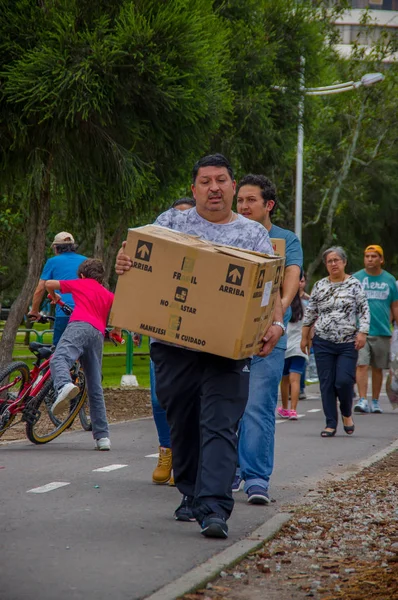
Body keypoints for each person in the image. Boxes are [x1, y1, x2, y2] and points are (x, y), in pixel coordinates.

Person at [116, 154, 283, 539]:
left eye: (222, 180)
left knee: (221, 425)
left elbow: (267, 285)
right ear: (194, 189)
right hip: (173, 347)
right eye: (205, 181)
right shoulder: (171, 223)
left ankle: (214, 507)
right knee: (184, 424)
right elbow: (140, 257)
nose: (214, 188)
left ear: (233, 186)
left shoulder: (252, 234)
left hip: (228, 351)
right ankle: (190, 492)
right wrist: (125, 262)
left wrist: (275, 324)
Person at [233, 174, 302, 504]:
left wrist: (278, 313)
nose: (244, 206)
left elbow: (291, 274)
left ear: (268, 205)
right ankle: (227, 469)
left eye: (251, 201)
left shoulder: (285, 239)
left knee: (258, 405)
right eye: (240, 201)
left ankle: (257, 478)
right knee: (225, 405)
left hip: (268, 338)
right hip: (228, 336)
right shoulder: (228, 232)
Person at [45, 258, 118, 451]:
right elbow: (120, 312)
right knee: (95, 386)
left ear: (83, 275)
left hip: (79, 325)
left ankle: (64, 385)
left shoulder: (81, 283)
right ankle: (103, 438)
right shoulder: (108, 294)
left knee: (59, 358)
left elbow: (48, 283)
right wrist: (116, 331)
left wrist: (53, 295)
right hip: (97, 335)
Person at [301, 247, 370, 437]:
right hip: (323, 341)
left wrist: (363, 332)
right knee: (326, 383)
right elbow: (311, 311)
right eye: (329, 261)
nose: (333, 264)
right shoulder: (320, 285)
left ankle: (347, 413)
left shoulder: (354, 284)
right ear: (326, 265)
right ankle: (330, 422)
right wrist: (304, 335)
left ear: (344, 262)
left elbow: (364, 310)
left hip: (347, 342)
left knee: (343, 381)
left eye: (336, 260)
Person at [150, 197, 196, 486]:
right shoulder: (160, 256)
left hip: (195, 339)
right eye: (173, 216)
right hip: (161, 334)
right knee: (159, 398)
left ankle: (183, 458)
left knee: (190, 400)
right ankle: (166, 451)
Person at [353, 245, 398, 414]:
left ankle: (376, 401)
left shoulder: (389, 280)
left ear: (381, 259)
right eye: (367, 256)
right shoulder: (356, 278)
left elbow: (395, 306)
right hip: (361, 331)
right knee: (362, 364)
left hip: (382, 330)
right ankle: (363, 400)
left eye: (374, 256)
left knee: (378, 368)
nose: (370, 259)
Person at [29, 232, 87, 345]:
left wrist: (34, 311)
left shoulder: (52, 262)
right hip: (86, 315)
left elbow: (40, 289)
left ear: (56, 248)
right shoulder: (86, 261)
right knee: (83, 352)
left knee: (59, 352)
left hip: (64, 312)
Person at [278, 291, 307, 420]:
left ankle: (284, 408)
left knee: (284, 381)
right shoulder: (304, 308)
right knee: (295, 380)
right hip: (299, 348)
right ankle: (293, 410)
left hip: (285, 348)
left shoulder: (283, 308)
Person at [299, 273, 311, 399]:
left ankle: (301, 388)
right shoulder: (288, 298)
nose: (300, 284)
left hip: (304, 334)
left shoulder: (308, 299)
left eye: (302, 281)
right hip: (289, 333)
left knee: (302, 364)